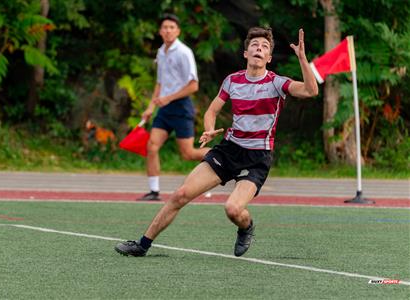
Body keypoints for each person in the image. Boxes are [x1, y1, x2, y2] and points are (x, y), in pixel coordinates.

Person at [115, 27, 318, 257]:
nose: (259, 48)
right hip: (229, 150)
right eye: (254, 45)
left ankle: (246, 227)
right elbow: (211, 111)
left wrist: (302, 59)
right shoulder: (232, 81)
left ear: (269, 58)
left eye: (264, 47)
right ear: (245, 53)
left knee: (233, 209)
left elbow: (311, 90)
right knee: (181, 194)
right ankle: (142, 245)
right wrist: (209, 129)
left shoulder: (276, 84)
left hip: (256, 158)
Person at [138, 13, 210, 201]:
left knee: (188, 154)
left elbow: (194, 85)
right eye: (165, 27)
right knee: (152, 146)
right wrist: (150, 107)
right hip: (164, 108)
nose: (168, 30)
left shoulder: (184, 52)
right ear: (160, 31)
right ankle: (154, 192)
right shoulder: (161, 51)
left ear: (177, 31)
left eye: (172, 27)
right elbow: (159, 83)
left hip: (181, 107)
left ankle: (218, 157)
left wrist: (168, 98)